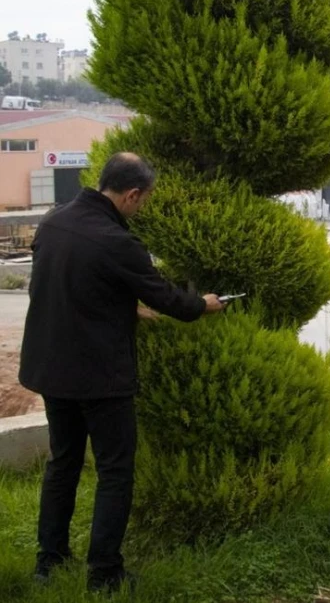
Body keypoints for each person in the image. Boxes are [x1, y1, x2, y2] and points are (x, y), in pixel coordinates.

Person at [20, 153, 225, 592]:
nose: (142, 207)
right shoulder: (117, 241)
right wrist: (201, 305)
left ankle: (48, 561)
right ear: (132, 194)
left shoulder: (54, 223)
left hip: (52, 369)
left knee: (64, 463)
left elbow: (70, 285)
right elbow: (170, 299)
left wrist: (126, 307)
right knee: (115, 470)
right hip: (99, 376)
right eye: (144, 200)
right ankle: (105, 573)